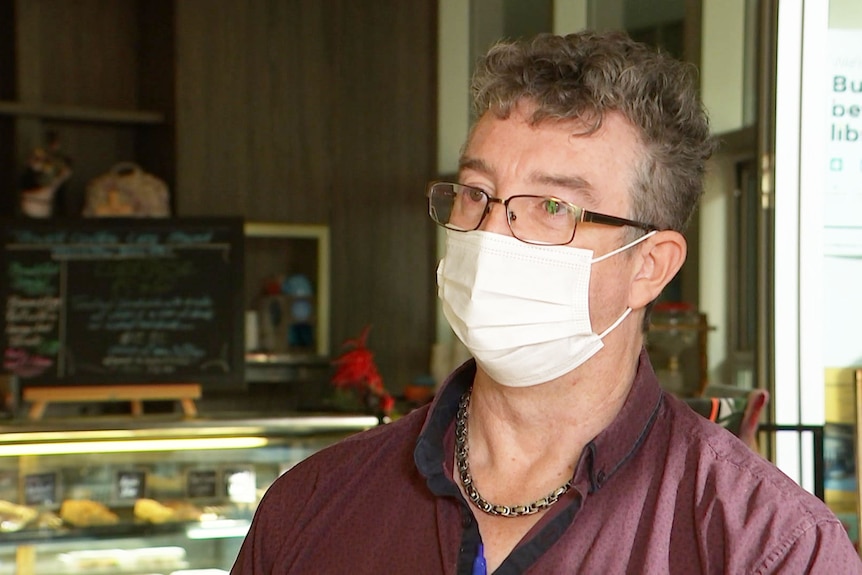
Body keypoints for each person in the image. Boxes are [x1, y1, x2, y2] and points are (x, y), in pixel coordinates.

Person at [232, 31, 861, 574]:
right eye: (476, 192)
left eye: (554, 207)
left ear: (649, 266)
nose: (490, 232)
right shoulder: (311, 506)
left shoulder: (767, 548)